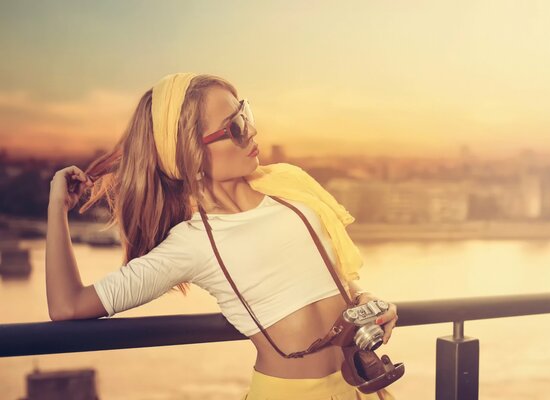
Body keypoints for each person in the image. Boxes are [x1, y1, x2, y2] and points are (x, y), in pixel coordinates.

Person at [46, 73, 399, 400]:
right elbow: (68, 305)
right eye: (235, 127)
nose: (253, 132)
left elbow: (334, 278)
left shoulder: (290, 189)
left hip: (362, 384)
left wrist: (367, 299)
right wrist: (57, 207)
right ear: (192, 154)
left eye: (245, 114)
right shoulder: (192, 242)